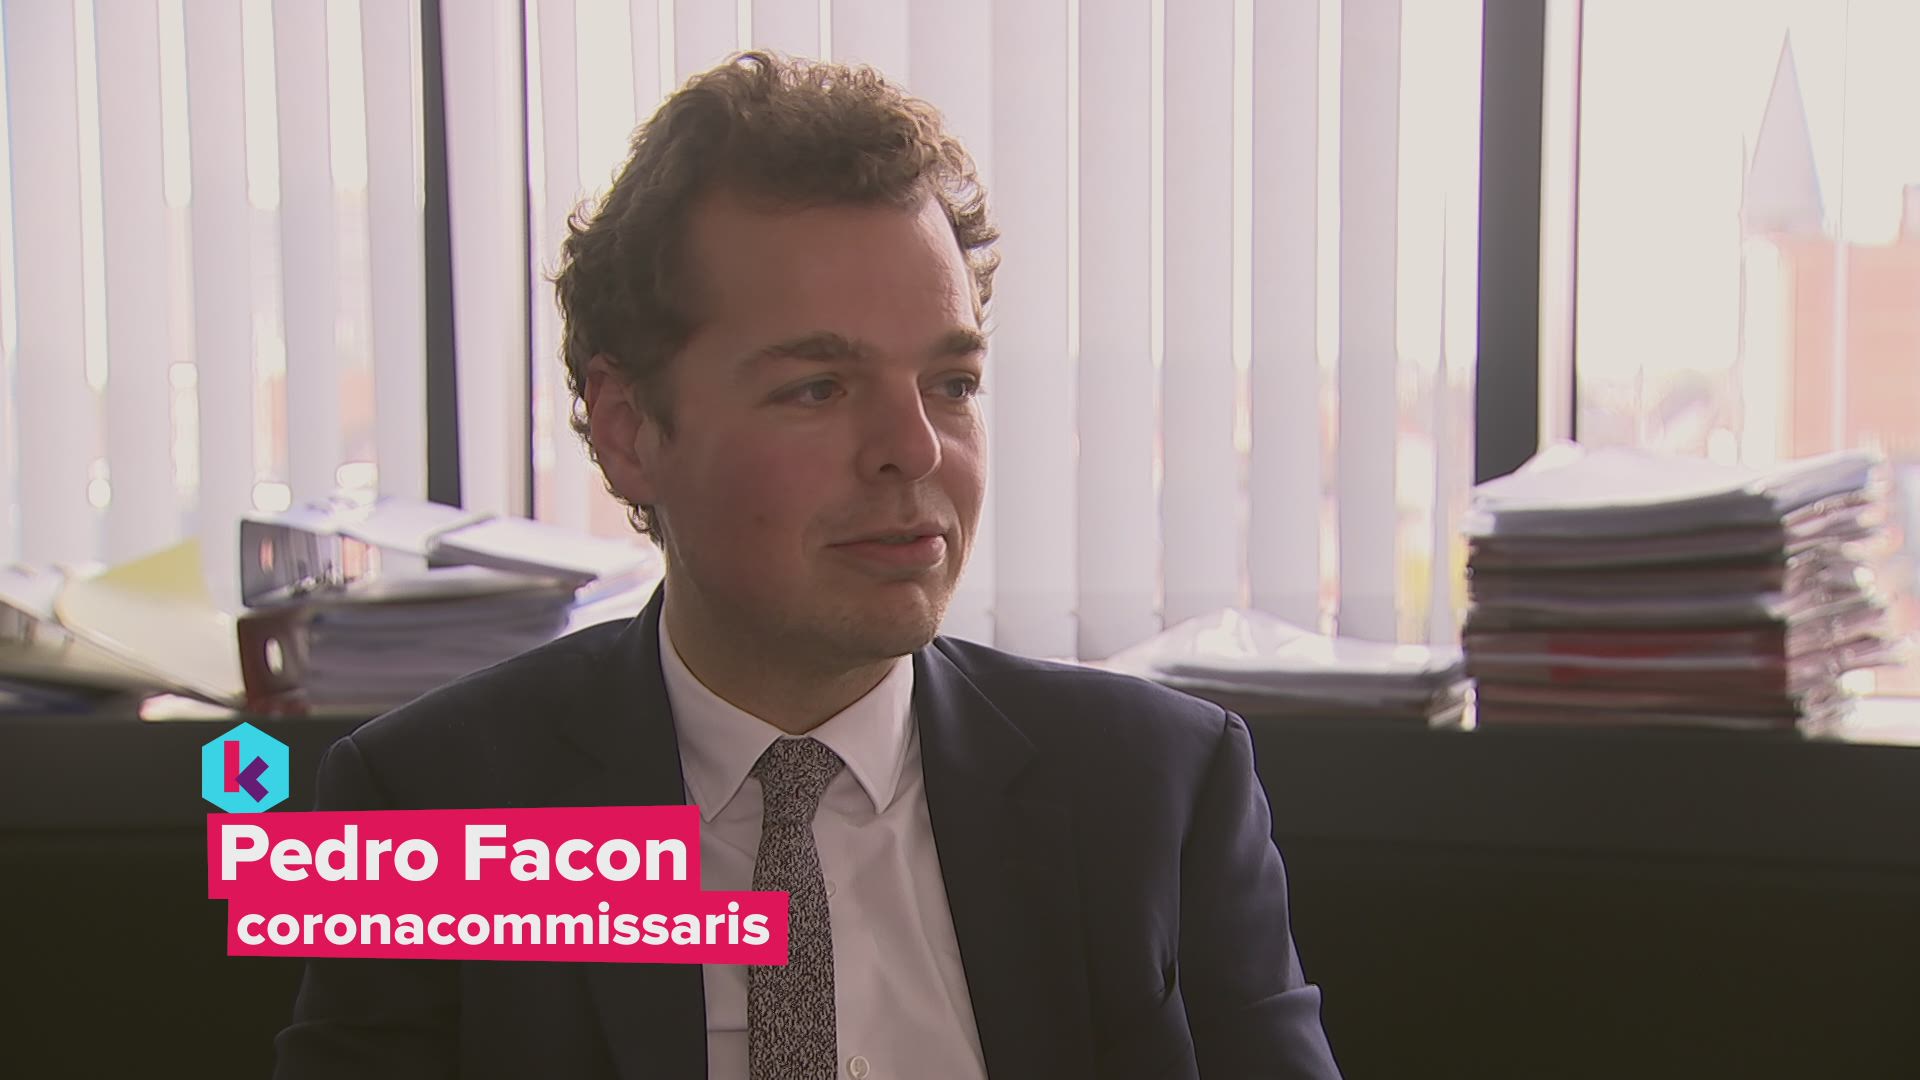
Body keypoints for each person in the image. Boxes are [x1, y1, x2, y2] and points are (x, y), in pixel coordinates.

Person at [275, 51, 1341, 1080]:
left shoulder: (1155, 791)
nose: (913, 449)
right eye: (819, 388)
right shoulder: (434, 810)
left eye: (952, 384)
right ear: (631, 430)